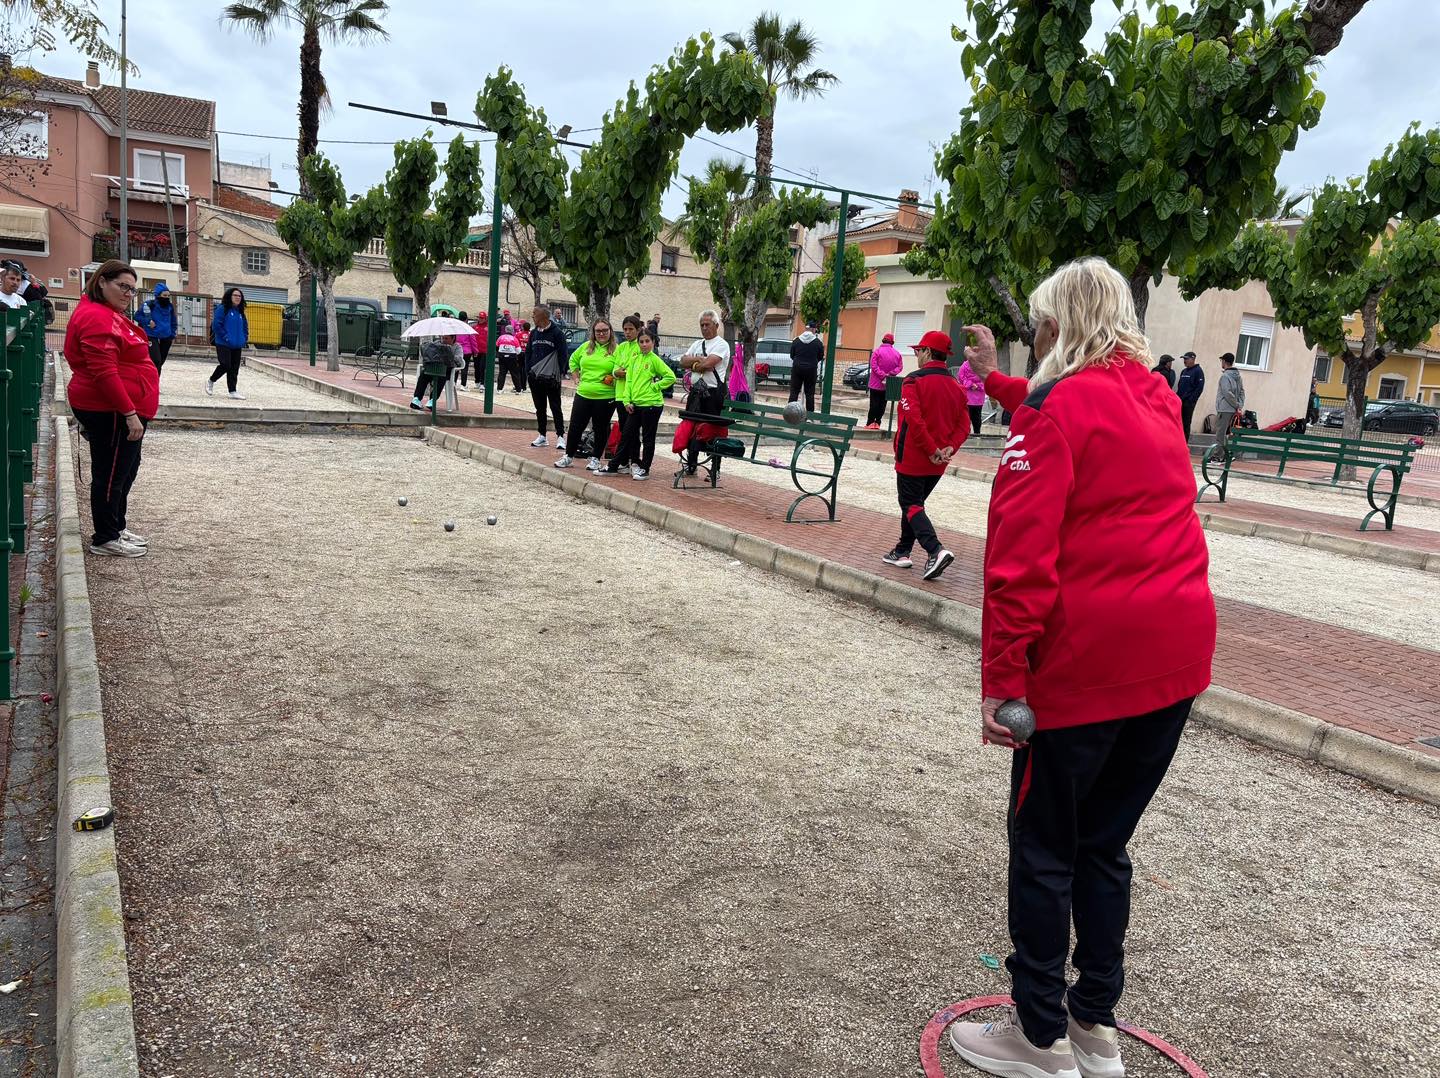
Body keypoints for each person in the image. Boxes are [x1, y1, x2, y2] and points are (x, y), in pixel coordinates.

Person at [947, 258, 1215, 1078]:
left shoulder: (1055, 411)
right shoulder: (1158, 401)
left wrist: (1003, 684)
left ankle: (1038, 1035)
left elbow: (1018, 564)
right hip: (1172, 659)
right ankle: (1095, 1023)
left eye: (1040, 325)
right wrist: (999, 381)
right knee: (1105, 845)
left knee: (1043, 847)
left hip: (1085, 667)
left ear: (1058, 325)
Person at [64, 260, 160, 558]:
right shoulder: (97, 318)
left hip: (120, 408)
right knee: (111, 474)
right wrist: (130, 413)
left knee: (126, 470)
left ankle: (115, 526)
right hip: (112, 410)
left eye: (132, 289)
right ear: (102, 281)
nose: (128, 293)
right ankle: (105, 536)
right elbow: (104, 371)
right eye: (123, 286)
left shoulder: (109, 314)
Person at [881, 331, 966, 581]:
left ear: (928, 352)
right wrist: (949, 448)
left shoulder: (913, 381)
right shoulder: (957, 387)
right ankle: (902, 551)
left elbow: (914, 422)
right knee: (915, 505)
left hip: (914, 456)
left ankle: (935, 550)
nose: (917, 355)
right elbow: (964, 425)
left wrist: (931, 450)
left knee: (910, 504)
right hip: (939, 461)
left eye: (919, 351)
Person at [605, 328, 675, 480]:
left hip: (652, 405)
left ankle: (645, 468)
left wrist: (655, 387)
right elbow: (628, 381)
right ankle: (613, 465)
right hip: (635, 405)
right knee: (627, 434)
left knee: (648, 438)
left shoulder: (654, 359)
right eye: (641, 342)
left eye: (647, 341)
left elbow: (670, 377)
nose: (644, 344)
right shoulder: (634, 359)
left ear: (653, 342)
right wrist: (626, 400)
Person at [672, 310, 732, 476]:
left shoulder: (721, 344)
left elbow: (709, 364)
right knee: (691, 427)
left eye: (708, 325)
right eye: (702, 325)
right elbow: (683, 361)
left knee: (713, 430)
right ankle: (691, 465)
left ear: (716, 326)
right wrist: (698, 362)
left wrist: (697, 362)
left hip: (713, 394)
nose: (704, 328)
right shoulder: (697, 344)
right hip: (696, 392)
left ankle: (715, 469)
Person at [557, 317, 619, 471]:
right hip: (583, 393)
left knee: (601, 428)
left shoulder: (617, 350)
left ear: (610, 331)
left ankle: (596, 458)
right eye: (598, 331)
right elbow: (573, 360)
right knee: (575, 427)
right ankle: (568, 456)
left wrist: (613, 377)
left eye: (605, 330)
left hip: (605, 396)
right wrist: (576, 377)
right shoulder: (586, 346)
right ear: (593, 332)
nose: (601, 333)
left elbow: (624, 369)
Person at [524, 303, 569, 446]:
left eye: (534, 313)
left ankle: (560, 436)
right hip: (535, 377)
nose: (532, 316)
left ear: (543, 315)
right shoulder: (534, 333)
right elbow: (528, 353)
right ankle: (542, 435)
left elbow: (563, 354)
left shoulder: (557, 333)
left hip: (551, 378)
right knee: (540, 407)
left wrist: (560, 373)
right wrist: (528, 370)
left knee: (555, 406)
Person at [207, 287, 248, 399]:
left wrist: (244, 338)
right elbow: (216, 325)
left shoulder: (240, 312)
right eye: (235, 295)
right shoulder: (222, 308)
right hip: (223, 342)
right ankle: (211, 380)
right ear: (230, 296)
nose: (237, 298)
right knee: (225, 365)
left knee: (234, 368)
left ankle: (232, 391)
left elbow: (245, 326)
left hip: (237, 344)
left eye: (239, 296)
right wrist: (225, 337)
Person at [409, 335, 461, 410]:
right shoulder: (436, 344)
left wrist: (448, 355)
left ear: (453, 339)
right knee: (424, 374)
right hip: (433, 368)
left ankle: (432, 400)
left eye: (446, 338)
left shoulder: (457, 347)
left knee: (441, 377)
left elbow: (459, 360)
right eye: (443, 338)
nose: (444, 340)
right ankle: (416, 399)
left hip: (447, 371)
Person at [135, 283, 178, 372]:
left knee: (160, 362)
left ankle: (154, 381)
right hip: (152, 335)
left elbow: (173, 321)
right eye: (164, 295)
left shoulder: (169, 307)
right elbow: (137, 316)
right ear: (158, 295)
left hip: (166, 337)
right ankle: (152, 382)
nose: (166, 298)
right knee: (156, 360)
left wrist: (172, 334)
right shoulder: (149, 305)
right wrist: (148, 321)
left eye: (168, 296)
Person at [865, 333, 904, 429]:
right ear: (892, 342)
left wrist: (882, 374)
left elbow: (873, 366)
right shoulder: (897, 354)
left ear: (883, 340)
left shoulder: (877, 352)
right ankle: (878, 422)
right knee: (882, 404)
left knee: (873, 403)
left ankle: (870, 423)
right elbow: (900, 367)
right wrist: (890, 374)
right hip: (888, 384)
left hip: (875, 383)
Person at [1210, 352, 1245, 460]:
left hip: (1225, 408)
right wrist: (1239, 405)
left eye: (1222, 361)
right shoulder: (1238, 376)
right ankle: (1225, 455)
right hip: (1232, 409)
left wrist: (1236, 405)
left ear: (1224, 362)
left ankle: (1218, 456)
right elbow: (1242, 392)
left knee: (1220, 433)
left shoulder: (1225, 376)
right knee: (1225, 432)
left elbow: (1227, 393)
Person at [788, 320, 825, 413]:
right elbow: (820, 356)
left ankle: (790, 413)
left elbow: (792, 355)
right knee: (809, 393)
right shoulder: (818, 342)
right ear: (813, 329)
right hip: (811, 370)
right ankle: (810, 416)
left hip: (797, 368)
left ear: (806, 328)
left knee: (794, 392)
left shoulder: (796, 340)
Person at [1175, 350, 1204, 439]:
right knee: (1178, 423)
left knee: (1186, 423)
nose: (1184, 361)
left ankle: (1184, 443)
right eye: (1184, 359)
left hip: (1188, 403)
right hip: (1180, 401)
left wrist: (1191, 400)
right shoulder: (1184, 371)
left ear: (1193, 359)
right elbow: (1180, 386)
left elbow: (1199, 387)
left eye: (1186, 359)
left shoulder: (1198, 371)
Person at [957, 352, 987, 434]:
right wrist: (978, 386)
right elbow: (986, 380)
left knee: (966, 417)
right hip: (978, 397)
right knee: (977, 417)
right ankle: (977, 434)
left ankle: (966, 434)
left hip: (968, 397)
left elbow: (961, 378)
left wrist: (970, 384)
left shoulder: (964, 366)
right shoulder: (982, 367)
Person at [469, 311, 490, 388]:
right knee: (476, 366)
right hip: (476, 350)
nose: (480, 319)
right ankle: (477, 381)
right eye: (479, 318)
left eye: (482, 318)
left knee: (482, 367)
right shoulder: (475, 327)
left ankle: (482, 382)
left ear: (485, 319)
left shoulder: (488, 327)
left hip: (484, 350)